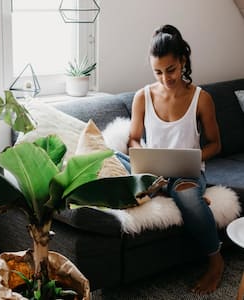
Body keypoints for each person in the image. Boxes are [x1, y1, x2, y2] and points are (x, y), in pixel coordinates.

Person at [128, 24, 224, 294]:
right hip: (153, 172)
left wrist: (191, 157)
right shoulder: (142, 97)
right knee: (111, 157)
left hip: (186, 173)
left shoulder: (201, 99)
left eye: (170, 70)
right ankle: (175, 194)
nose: (165, 78)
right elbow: (133, 139)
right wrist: (142, 156)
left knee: (186, 193)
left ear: (183, 60)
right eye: (157, 72)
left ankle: (215, 262)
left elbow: (216, 144)